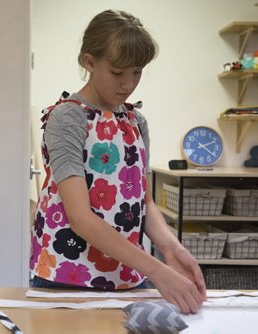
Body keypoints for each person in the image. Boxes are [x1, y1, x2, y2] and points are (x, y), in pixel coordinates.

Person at [29, 9, 207, 314]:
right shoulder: (68, 118)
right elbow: (80, 218)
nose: (128, 84)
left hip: (128, 275)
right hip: (68, 275)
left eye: (136, 72)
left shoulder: (136, 120)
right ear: (89, 61)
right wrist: (157, 270)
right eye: (117, 72)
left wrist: (170, 249)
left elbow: (145, 204)